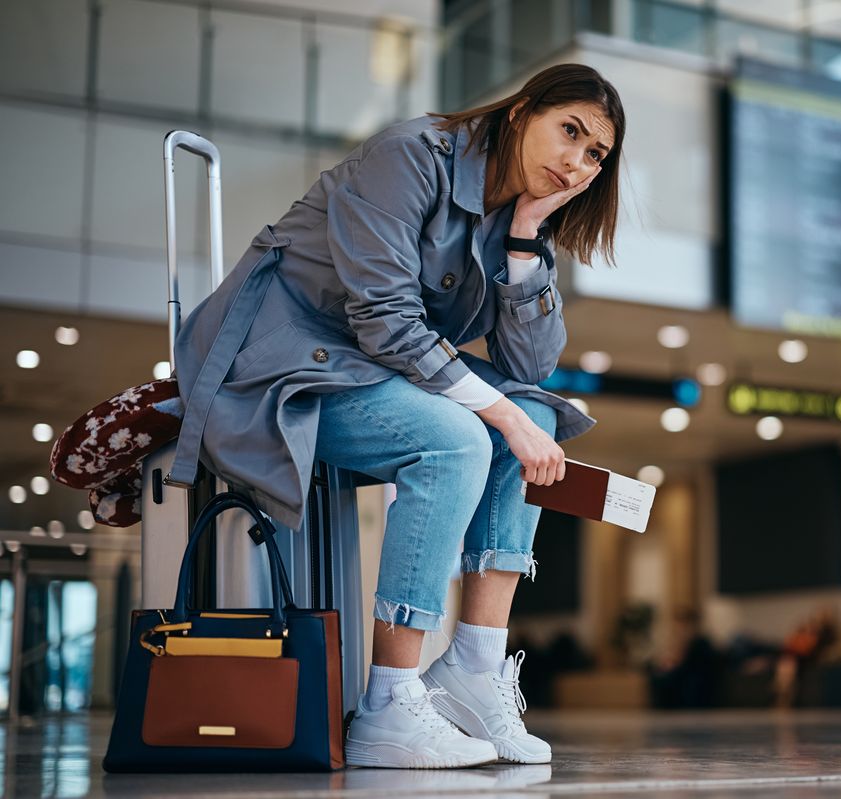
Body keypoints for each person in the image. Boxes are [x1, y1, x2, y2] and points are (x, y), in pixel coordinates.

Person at [171, 63, 625, 768]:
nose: (577, 160)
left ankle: (474, 667)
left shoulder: (516, 216)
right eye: (570, 131)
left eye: (596, 153)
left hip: (363, 364)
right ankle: (388, 703)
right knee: (458, 440)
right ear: (520, 113)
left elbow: (528, 365)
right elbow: (383, 318)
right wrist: (498, 413)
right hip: (273, 355)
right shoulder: (409, 155)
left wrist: (528, 236)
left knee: (533, 410)